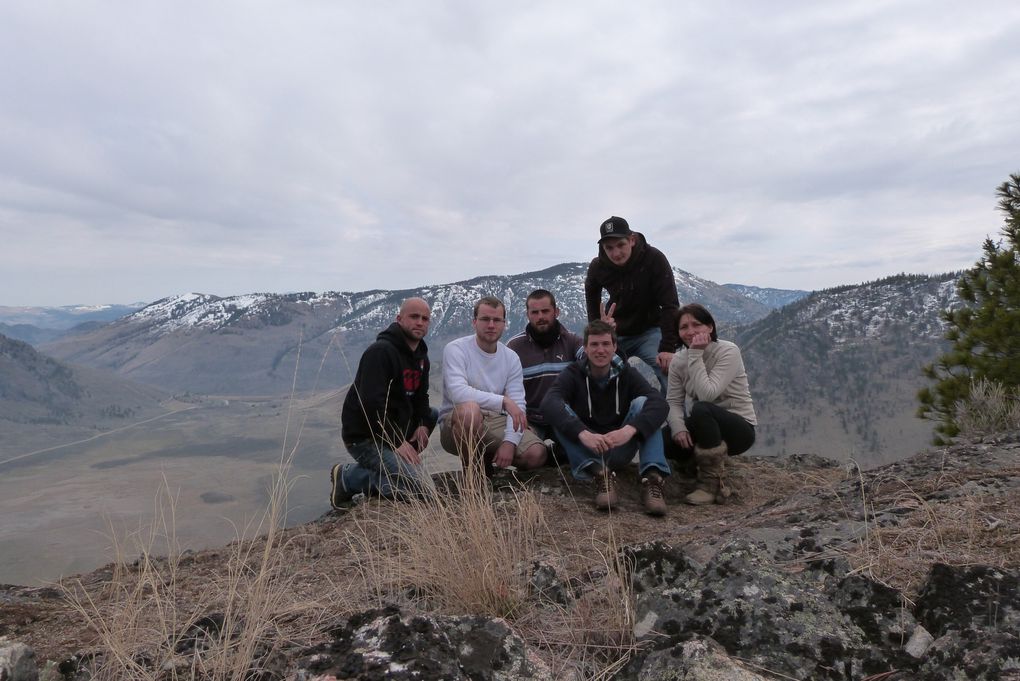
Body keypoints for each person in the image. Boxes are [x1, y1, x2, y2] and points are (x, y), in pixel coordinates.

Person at [541, 320, 671, 516]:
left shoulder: (627, 373)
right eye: (594, 344)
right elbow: (549, 403)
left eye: (605, 344)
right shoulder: (573, 373)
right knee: (560, 411)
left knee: (644, 403)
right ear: (585, 348)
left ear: (614, 347)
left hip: (619, 446)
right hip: (588, 449)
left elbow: (660, 403)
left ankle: (653, 478)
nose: (600, 350)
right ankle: (601, 475)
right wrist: (583, 433)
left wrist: (629, 430)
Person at [331, 297, 439, 507]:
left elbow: (421, 397)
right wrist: (397, 442)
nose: (420, 322)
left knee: (432, 414)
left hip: (395, 431)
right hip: (366, 438)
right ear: (399, 319)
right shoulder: (380, 352)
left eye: (425, 319)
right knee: (424, 491)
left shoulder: (421, 358)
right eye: (414, 317)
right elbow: (372, 405)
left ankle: (401, 468)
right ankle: (348, 478)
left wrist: (423, 425)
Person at [440, 296, 548, 473]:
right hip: (456, 422)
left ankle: (488, 460)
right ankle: (474, 477)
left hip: (494, 419)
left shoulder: (510, 357)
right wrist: (503, 401)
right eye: (485, 319)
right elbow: (457, 393)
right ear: (474, 322)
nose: (491, 325)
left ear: (504, 324)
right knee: (470, 411)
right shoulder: (456, 349)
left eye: (497, 320)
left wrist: (510, 442)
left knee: (536, 454)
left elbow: (518, 406)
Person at [666, 303, 757, 506]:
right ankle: (696, 463)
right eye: (684, 327)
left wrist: (696, 354)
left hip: (738, 428)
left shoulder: (728, 351)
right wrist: (678, 429)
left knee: (701, 409)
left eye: (696, 325)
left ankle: (710, 483)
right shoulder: (678, 361)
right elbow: (673, 401)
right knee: (663, 440)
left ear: (710, 327)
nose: (690, 332)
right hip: (704, 426)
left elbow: (707, 394)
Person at [584, 215, 680, 393]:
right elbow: (591, 298)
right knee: (594, 371)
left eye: (620, 245)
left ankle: (675, 418)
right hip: (616, 333)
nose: (616, 253)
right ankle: (608, 418)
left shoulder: (654, 259)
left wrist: (668, 348)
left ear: (632, 240)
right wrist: (599, 328)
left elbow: (670, 305)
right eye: (609, 248)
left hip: (650, 330)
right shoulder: (598, 267)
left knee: (670, 369)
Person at [506, 289, 583, 462]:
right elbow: (503, 389)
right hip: (530, 419)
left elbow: (595, 359)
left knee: (584, 451)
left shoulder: (572, 341)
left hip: (564, 416)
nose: (540, 316)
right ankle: (546, 455)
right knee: (530, 456)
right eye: (535, 312)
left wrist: (609, 335)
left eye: (545, 311)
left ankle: (559, 453)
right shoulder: (514, 347)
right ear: (528, 315)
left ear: (556, 312)